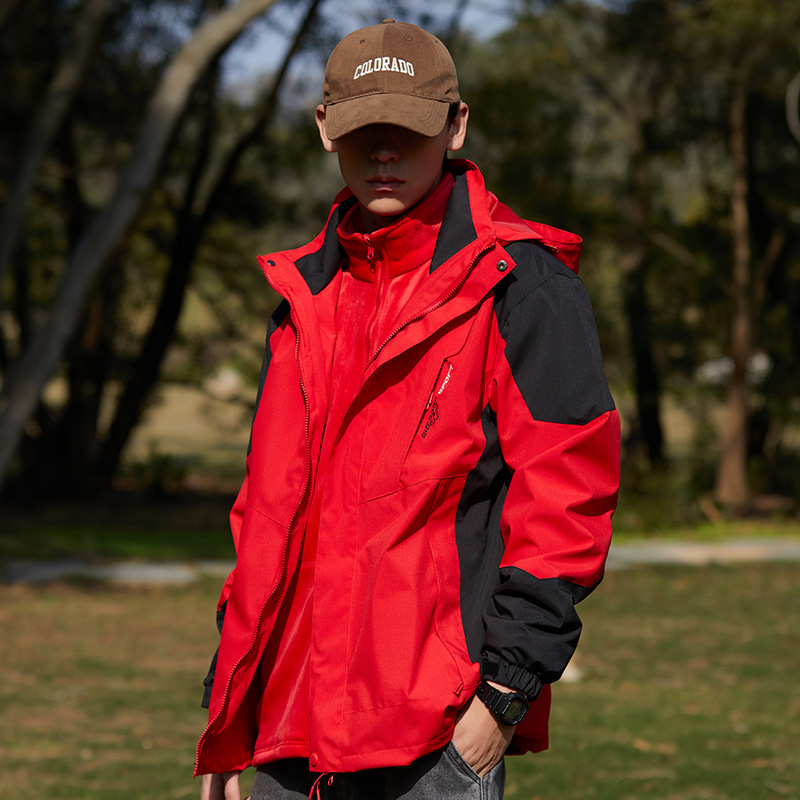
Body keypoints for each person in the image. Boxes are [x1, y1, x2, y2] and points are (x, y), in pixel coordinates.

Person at [196, 19, 620, 800]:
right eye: (364, 131)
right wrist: (232, 703)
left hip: (435, 738)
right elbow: (264, 515)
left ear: (456, 125)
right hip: (286, 729)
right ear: (326, 129)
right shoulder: (302, 296)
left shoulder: (522, 285)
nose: (384, 151)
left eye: (408, 129)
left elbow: (568, 500)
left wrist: (502, 697)